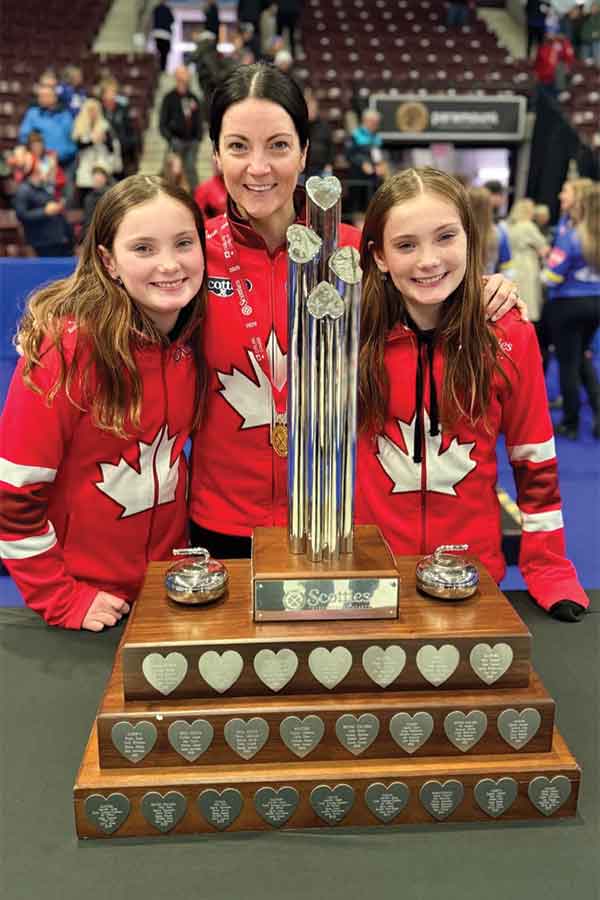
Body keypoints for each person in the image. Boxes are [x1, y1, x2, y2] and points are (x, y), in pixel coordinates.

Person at [188, 63, 522, 560]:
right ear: (216, 153)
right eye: (238, 146)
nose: (258, 167)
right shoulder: (191, 256)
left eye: (278, 145)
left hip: (337, 516)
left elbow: (432, 292)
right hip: (222, 519)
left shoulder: (358, 254)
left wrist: (487, 291)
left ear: (304, 152)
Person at [355, 167, 589, 622]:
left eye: (445, 237)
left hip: (472, 574)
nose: (428, 261)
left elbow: (534, 459)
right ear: (379, 256)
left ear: (470, 238)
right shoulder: (354, 334)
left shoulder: (509, 334)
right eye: (406, 245)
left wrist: (547, 565)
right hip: (373, 574)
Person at [0, 175, 207, 630]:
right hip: (86, 603)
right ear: (108, 261)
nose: (169, 264)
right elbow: (13, 496)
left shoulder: (190, 341)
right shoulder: (67, 349)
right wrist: (60, 597)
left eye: (183, 243)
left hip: (164, 593)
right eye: (143, 248)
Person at [542, 182, 600, 441]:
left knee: (567, 364)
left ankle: (570, 422)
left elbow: (552, 277)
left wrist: (543, 268)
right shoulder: (594, 234)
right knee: (583, 359)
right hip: (595, 303)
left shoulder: (572, 236)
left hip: (567, 305)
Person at [506, 197, 548, 333]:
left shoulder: (510, 226)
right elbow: (544, 247)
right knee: (527, 301)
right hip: (527, 266)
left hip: (512, 265)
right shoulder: (528, 226)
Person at [159, 66, 204, 191]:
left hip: (192, 142)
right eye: (181, 74)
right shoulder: (169, 98)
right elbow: (162, 123)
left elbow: (199, 120)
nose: (183, 77)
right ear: (176, 77)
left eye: (185, 74)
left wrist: (198, 138)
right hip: (175, 141)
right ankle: (168, 194)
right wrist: (170, 138)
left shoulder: (193, 97)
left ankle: (196, 196)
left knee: (190, 168)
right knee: (172, 171)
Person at [13, 165, 74, 257]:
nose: (46, 174)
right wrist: (44, 212)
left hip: (60, 238)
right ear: (35, 173)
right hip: (43, 240)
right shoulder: (24, 190)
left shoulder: (44, 188)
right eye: (42, 171)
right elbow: (21, 215)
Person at [72, 98, 121, 202]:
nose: (93, 113)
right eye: (90, 110)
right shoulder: (79, 125)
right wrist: (92, 141)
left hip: (101, 164)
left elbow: (112, 148)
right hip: (85, 164)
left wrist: (104, 140)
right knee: (87, 194)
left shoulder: (105, 125)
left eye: (95, 110)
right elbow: (78, 146)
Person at [468, 186, 513, 276]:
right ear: (488, 206)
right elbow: (506, 267)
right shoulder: (499, 232)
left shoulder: (456, 231)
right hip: (488, 281)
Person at [152, 2, 175, 72]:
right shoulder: (167, 9)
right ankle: (162, 69)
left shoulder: (156, 8)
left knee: (159, 53)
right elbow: (172, 20)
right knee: (164, 54)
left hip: (157, 33)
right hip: (165, 34)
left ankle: (158, 68)